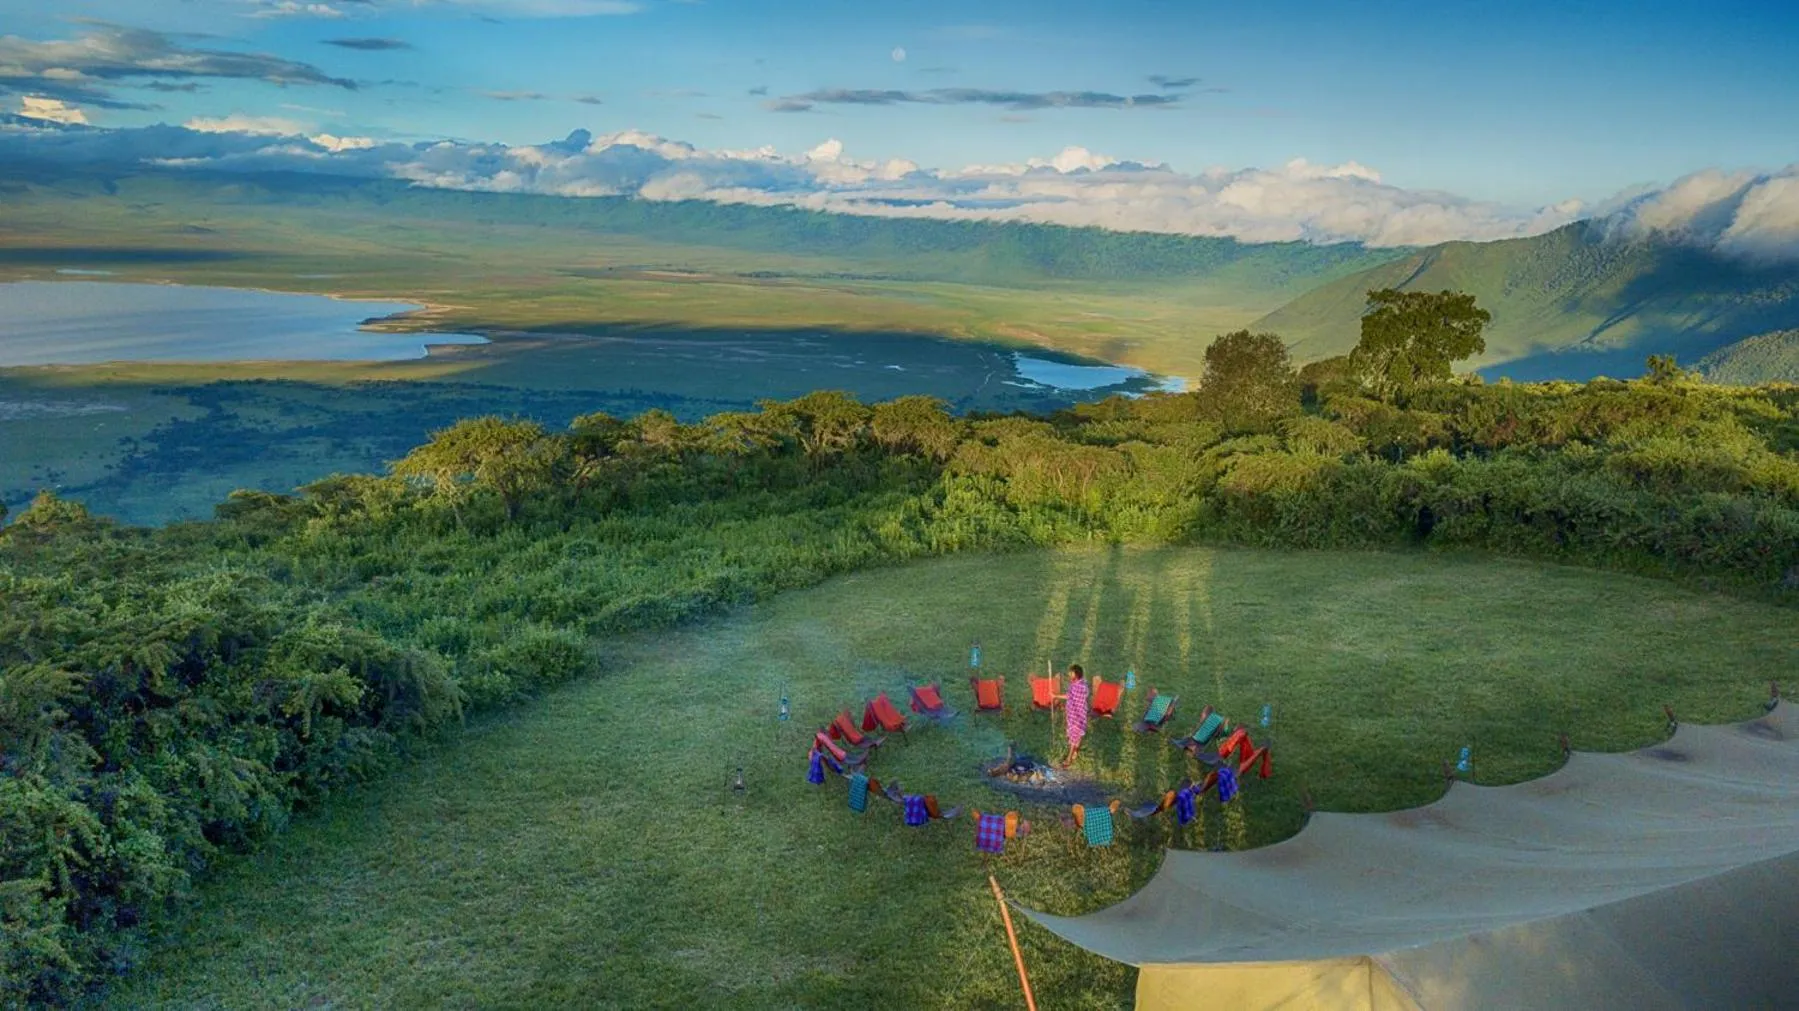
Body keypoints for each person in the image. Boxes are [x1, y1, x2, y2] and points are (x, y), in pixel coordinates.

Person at [1058, 664, 1090, 768]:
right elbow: (1077, 697)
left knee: (1073, 736)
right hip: (1080, 713)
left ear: (1076, 674)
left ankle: (1069, 759)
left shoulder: (1078, 686)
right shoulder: (1082, 684)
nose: (1069, 674)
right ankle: (1076, 750)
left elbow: (1070, 696)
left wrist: (1055, 695)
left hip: (1076, 714)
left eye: (1071, 672)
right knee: (1078, 733)